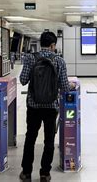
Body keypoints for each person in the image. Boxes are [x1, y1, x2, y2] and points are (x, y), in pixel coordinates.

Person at [19, 31, 73, 182]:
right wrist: (71, 85)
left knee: (30, 138)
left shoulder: (30, 58)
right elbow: (64, 87)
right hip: (51, 107)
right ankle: (44, 173)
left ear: (41, 42)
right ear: (53, 45)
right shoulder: (59, 61)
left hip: (33, 106)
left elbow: (23, 80)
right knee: (49, 140)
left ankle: (26, 173)